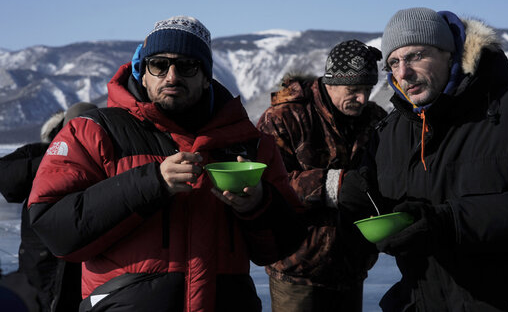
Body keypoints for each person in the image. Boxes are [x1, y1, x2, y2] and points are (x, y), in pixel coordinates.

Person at [27, 16, 305, 312]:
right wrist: (151, 183)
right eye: (159, 65)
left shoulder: (251, 143)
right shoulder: (94, 132)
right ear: (143, 73)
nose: (172, 76)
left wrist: (258, 205)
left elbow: (284, 245)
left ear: (206, 76)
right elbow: (54, 229)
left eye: (187, 66)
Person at [338, 7, 508, 311]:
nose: (403, 72)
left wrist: (450, 223)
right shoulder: (390, 132)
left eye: (416, 56)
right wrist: (360, 197)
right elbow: (395, 217)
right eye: (394, 62)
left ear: (449, 54)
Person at [257, 39, 388, 311]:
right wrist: (335, 185)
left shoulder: (375, 119)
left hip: (352, 266)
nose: (363, 98)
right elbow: (266, 183)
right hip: (296, 271)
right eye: (354, 89)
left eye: (368, 89)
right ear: (330, 83)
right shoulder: (284, 117)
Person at [0, 102, 97, 312]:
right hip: (38, 266)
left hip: (84, 271)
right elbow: (7, 178)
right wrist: (56, 161)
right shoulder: (41, 152)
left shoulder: (105, 160)